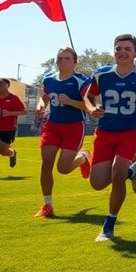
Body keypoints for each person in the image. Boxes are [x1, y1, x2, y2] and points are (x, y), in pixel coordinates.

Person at [82, 34, 136, 241]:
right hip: (105, 131)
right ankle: (133, 171)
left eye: (127, 49)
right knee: (97, 183)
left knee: (117, 173)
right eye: (118, 48)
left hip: (132, 131)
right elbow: (88, 95)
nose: (122, 52)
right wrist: (91, 108)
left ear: (135, 53)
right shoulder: (102, 74)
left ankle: (108, 226)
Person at [34, 48, 91, 217]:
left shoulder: (81, 81)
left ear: (75, 62)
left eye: (67, 58)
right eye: (59, 58)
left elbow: (89, 105)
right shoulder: (49, 79)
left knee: (63, 168)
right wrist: (40, 105)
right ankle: (47, 204)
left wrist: (70, 101)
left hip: (73, 127)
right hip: (52, 126)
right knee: (46, 163)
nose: (62, 61)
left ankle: (83, 157)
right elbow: (44, 96)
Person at [0, 78, 26, 179]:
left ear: (8, 85)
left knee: (3, 151)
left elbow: (23, 111)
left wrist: (9, 113)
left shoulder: (14, 98)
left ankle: (12, 153)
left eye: (2, 84)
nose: (0, 86)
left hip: (9, 129)